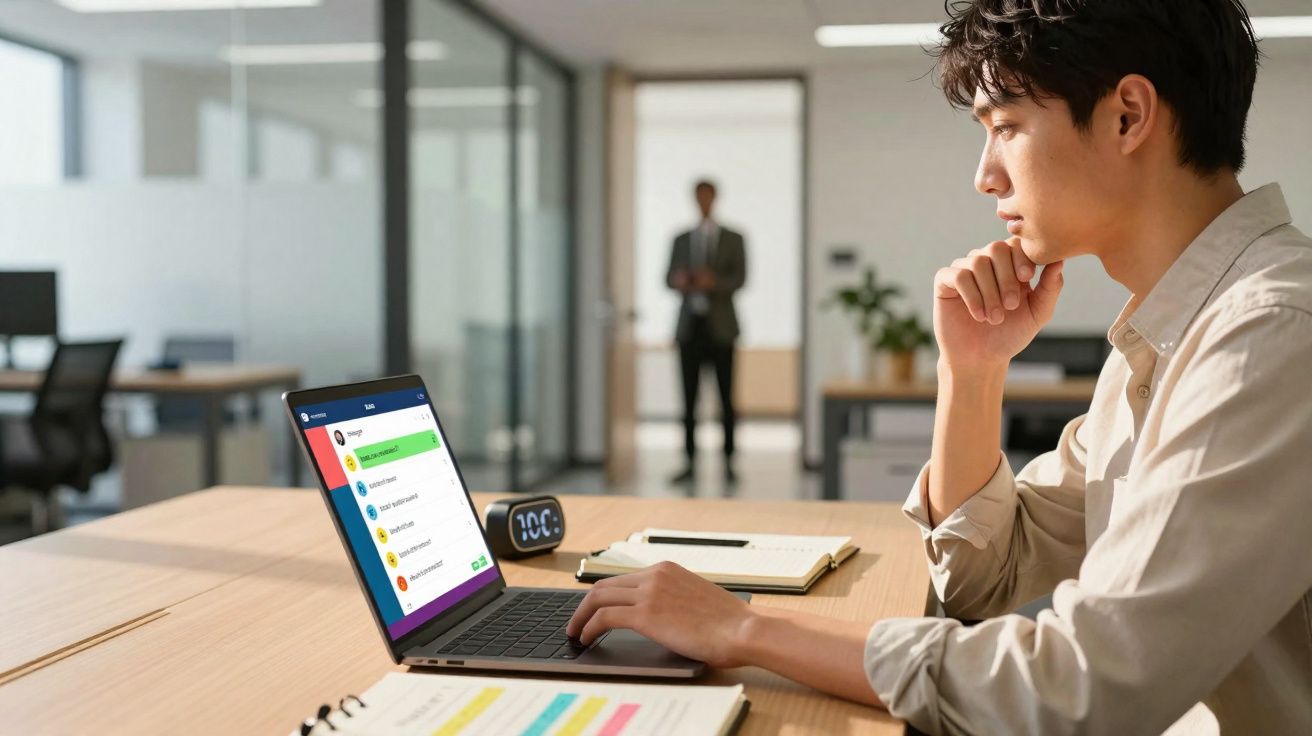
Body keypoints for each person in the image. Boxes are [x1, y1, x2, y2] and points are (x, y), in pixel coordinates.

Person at [568, 1, 1312, 733]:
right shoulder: (1165, 339)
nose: (985, 176)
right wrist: (973, 371)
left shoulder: (1268, 337)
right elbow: (990, 580)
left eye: (1006, 128)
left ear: (1127, 115)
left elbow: (1083, 689)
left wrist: (746, 630)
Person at [665, 180, 747, 485]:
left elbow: (740, 278)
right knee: (688, 400)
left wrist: (713, 282)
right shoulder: (681, 239)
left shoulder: (733, 238)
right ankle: (688, 462)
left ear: (715, 198)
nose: (703, 202)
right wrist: (681, 281)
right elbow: (667, 278)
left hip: (722, 329)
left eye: (708, 197)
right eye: (699, 197)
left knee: (726, 399)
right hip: (690, 329)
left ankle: (728, 462)